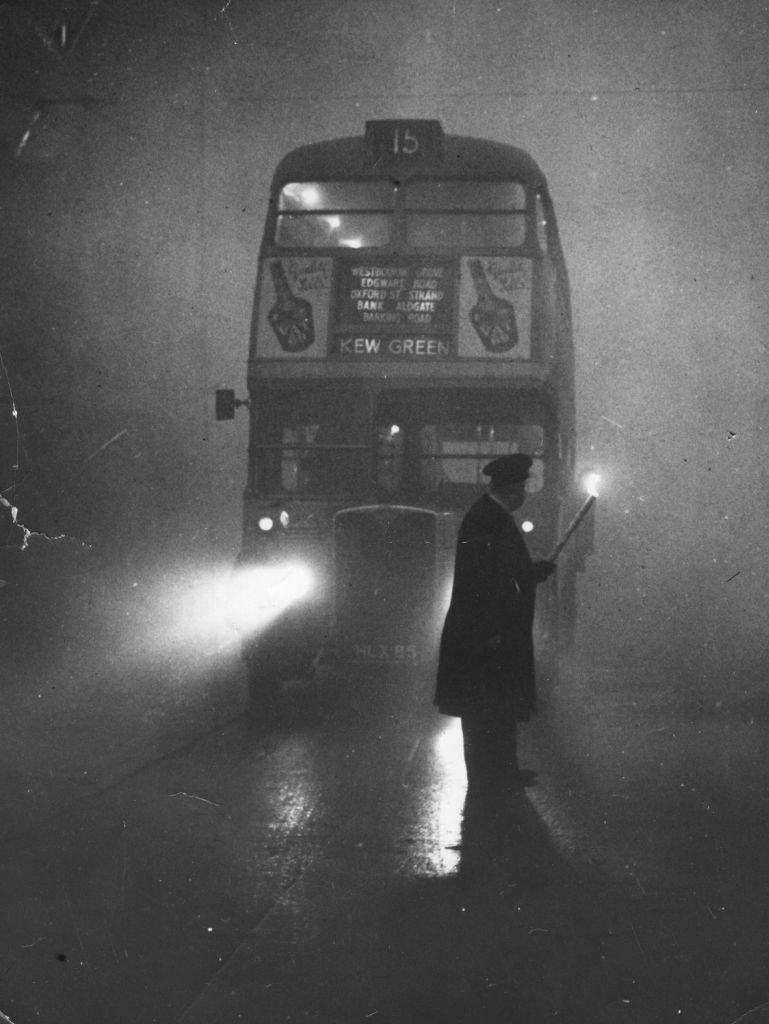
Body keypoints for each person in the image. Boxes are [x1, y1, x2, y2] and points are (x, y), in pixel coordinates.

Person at [434, 453, 555, 788]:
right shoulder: (488, 520)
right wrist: (492, 631)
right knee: (486, 709)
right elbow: (484, 580)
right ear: (512, 488)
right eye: (522, 486)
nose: (524, 494)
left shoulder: (489, 517)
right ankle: (491, 777)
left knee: (493, 707)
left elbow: (500, 573)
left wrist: (531, 573)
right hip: (487, 634)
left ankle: (500, 772)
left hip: (489, 632)